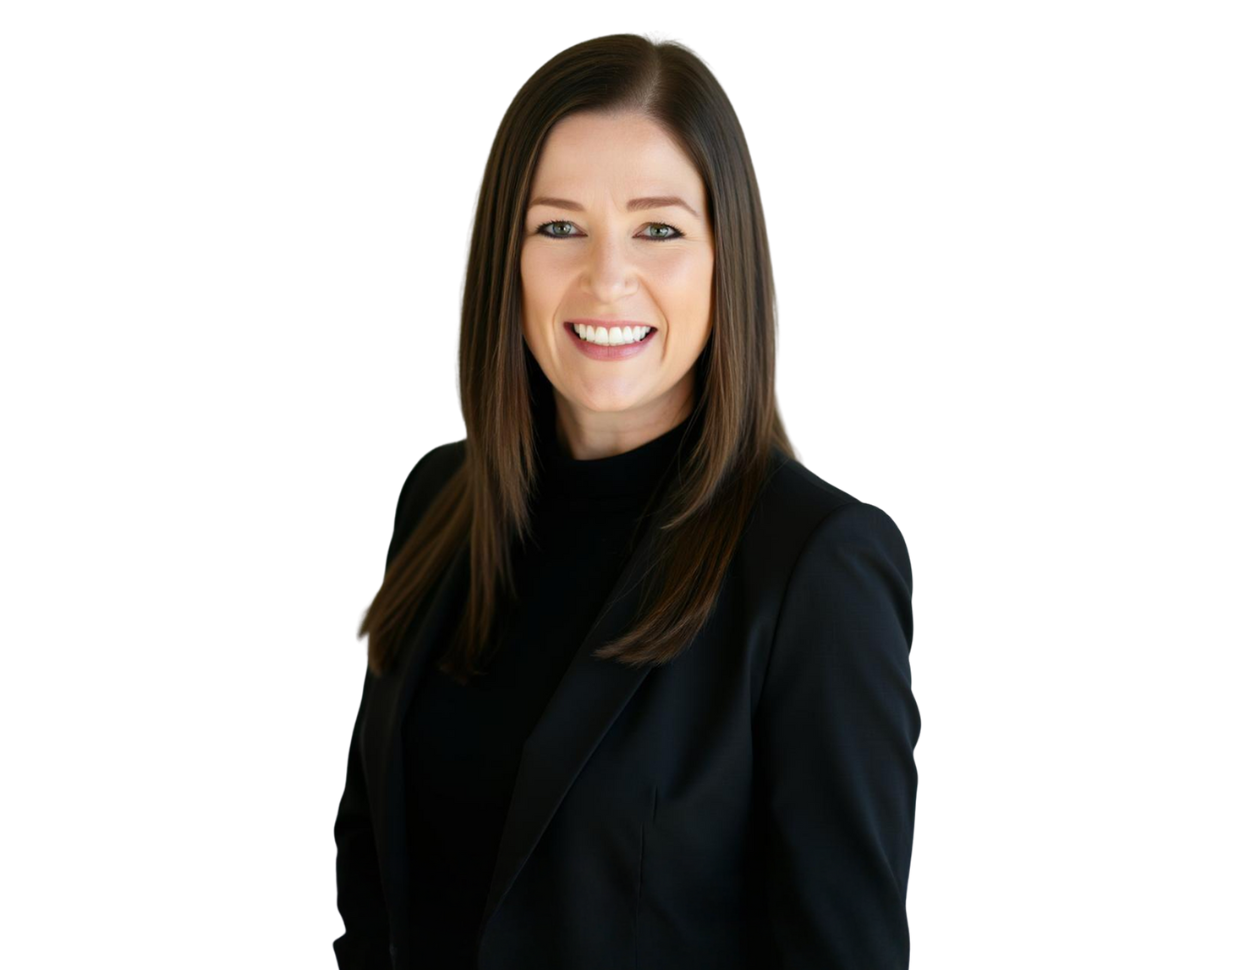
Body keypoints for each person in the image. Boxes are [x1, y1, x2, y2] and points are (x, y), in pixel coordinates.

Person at [337, 30, 918, 970]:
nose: (606, 279)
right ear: (506, 262)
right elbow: (375, 878)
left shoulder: (818, 563)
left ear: (726, 257)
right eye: (558, 227)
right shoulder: (440, 498)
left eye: (658, 228)